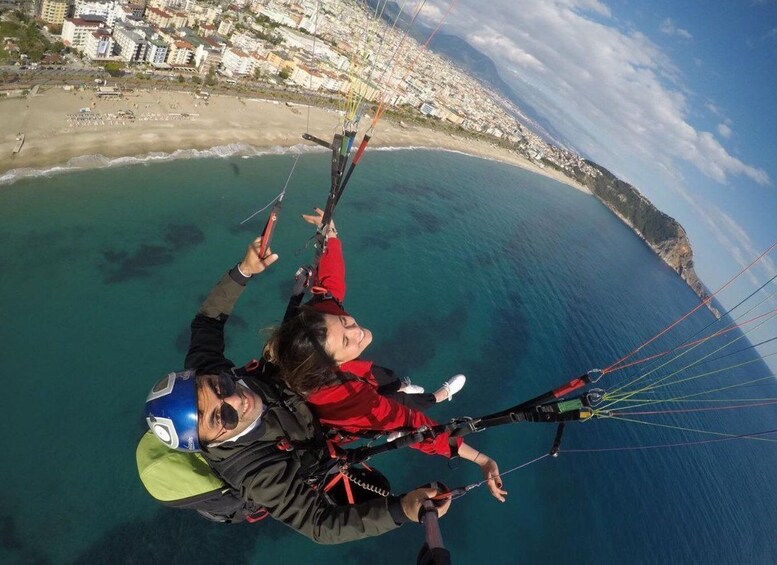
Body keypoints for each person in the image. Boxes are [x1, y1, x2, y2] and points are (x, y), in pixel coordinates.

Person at [145, 234, 452, 543]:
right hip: (311, 443)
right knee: (384, 421)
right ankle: (432, 398)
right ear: (208, 442)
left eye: (221, 384)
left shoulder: (206, 374)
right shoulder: (256, 473)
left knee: (382, 404)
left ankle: (427, 398)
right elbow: (321, 526)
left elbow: (207, 322)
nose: (235, 399)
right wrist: (402, 510)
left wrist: (243, 271)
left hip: (299, 404)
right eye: (221, 417)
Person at [266, 209, 507, 502]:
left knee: (391, 380)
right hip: (354, 409)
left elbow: (329, 290)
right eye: (346, 338)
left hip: (358, 374)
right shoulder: (349, 399)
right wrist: (480, 458)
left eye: (345, 322)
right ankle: (441, 395)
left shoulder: (317, 333)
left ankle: (404, 386)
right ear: (333, 365)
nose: (357, 329)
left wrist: (331, 237)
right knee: (410, 402)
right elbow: (411, 425)